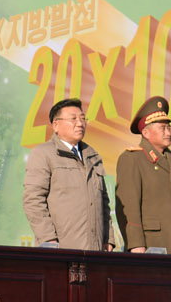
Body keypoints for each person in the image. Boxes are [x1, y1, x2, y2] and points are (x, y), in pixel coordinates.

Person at [22, 98, 111, 250]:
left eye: (83, 119)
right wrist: (48, 239)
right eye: (73, 119)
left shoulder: (93, 156)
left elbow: (103, 203)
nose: (80, 123)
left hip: (95, 252)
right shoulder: (43, 154)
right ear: (56, 125)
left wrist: (108, 238)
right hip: (61, 251)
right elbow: (32, 200)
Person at [115, 95, 171, 255]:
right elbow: (128, 208)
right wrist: (136, 244)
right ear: (146, 132)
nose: (168, 132)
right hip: (152, 246)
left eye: (169, 127)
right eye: (162, 128)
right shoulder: (132, 159)